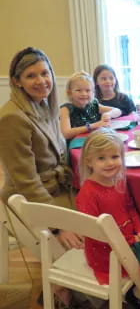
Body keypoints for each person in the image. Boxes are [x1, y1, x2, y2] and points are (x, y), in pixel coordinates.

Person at [0, 47, 83, 250]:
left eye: (44, 73)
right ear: (17, 81)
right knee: (92, 230)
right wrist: (58, 226)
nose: (41, 81)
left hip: (55, 188)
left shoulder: (43, 104)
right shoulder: (13, 118)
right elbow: (25, 182)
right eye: (31, 76)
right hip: (31, 200)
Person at [76, 128, 140, 285]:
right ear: (89, 161)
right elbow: (95, 233)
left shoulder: (119, 181)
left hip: (128, 241)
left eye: (115, 156)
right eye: (101, 158)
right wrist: (130, 240)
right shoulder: (88, 193)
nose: (110, 163)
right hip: (108, 253)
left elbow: (130, 209)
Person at [60, 71, 122, 139]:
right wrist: (92, 126)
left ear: (93, 92)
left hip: (95, 140)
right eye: (78, 90)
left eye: (88, 90)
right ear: (69, 93)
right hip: (77, 145)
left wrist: (108, 114)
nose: (84, 94)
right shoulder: (65, 109)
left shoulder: (93, 105)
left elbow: (118, 111)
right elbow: (66, 133)